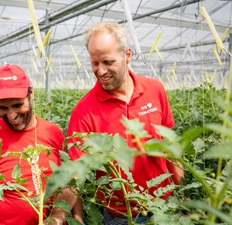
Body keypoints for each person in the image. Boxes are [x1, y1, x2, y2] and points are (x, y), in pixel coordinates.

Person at [67, 22, 184, 225]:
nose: (101, 71)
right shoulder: (84, 111)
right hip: (120, 217)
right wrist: (66, 216)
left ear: (127, 55)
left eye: (107, 62)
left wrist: (182, 196)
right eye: (94, 63)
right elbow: (75, 172)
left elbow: (170, 148)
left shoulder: (155, 90)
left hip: (165, 209)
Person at [0, 64, 77, 225]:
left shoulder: (53, 132)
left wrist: (67, 218)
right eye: (2, 108)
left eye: (17, 105)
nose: (12, 115)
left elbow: (71, 180)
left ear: (31, 94)